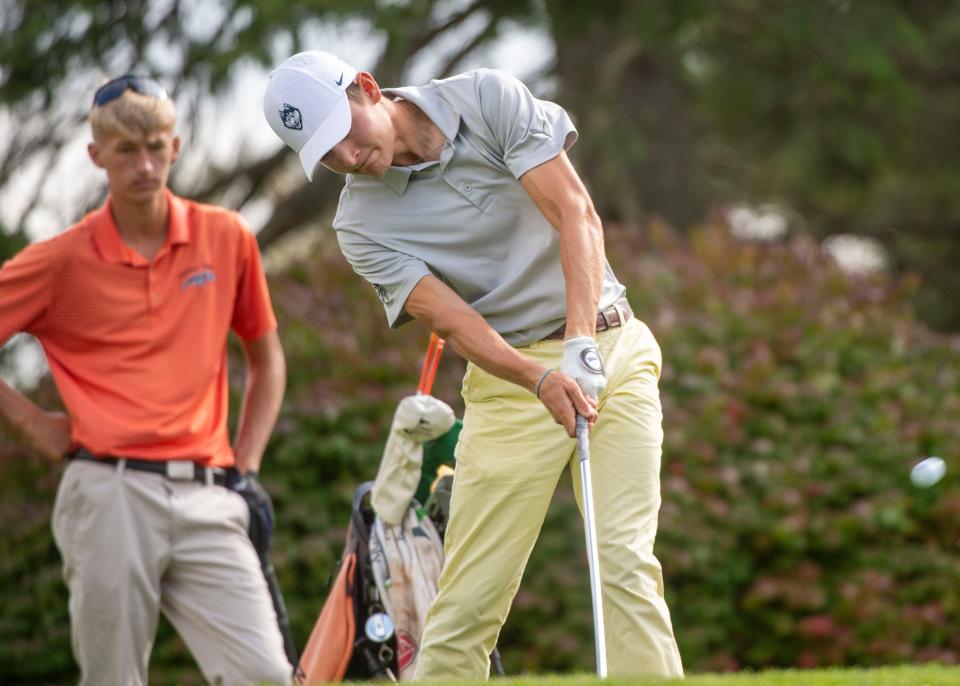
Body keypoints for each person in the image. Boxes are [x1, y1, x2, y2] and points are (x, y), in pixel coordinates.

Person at [262, 51, 684, 680]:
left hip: (610, 350)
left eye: (344, 134)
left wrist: (579, 344)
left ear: (368, 89)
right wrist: (539, 376)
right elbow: (455, 322)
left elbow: (576, 213)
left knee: (624, 561)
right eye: (326, 155)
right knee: (467, 601)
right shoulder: (359, 224)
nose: (347, 158)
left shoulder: (486, 98)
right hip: (512, 386)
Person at [0, 75, 292, 686]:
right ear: (96, 156)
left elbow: (267, 360)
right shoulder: (61, 260)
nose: (145, 164)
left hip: (210, 493)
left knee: (264, 673)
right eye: (127, 151)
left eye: (156, 146)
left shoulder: (226, 237)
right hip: (108, 492)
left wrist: (248, 466)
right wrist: (32, 424)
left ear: (176, 148)